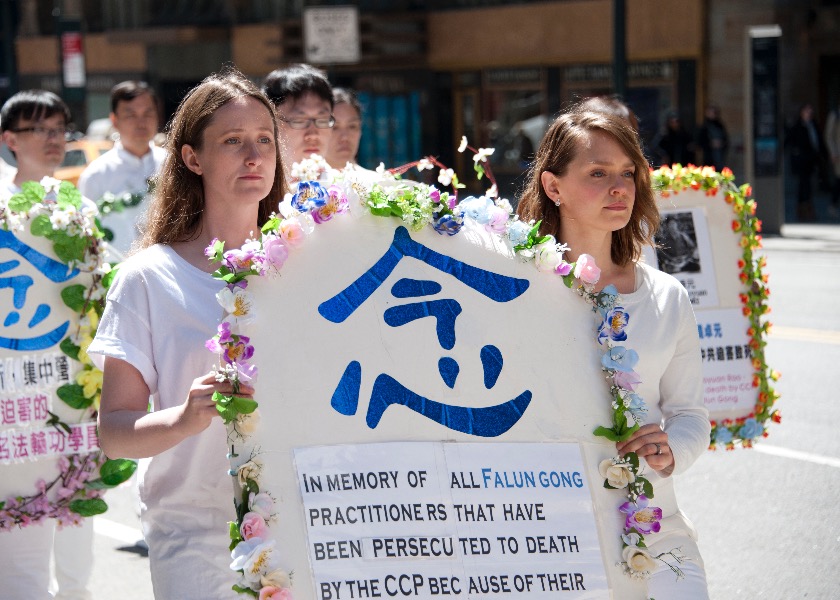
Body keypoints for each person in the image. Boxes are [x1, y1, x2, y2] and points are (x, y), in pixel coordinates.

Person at [88, 68, 282, 598]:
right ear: (192, 158)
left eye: (265, 140)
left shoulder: (310, 268)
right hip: (195, 540)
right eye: (233, 141)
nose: (254, 155)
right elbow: (115, 431)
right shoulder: (148, 277)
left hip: (303, 528)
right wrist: (183, 417)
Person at [517, 107, 710, 598]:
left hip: (655, 532)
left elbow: (690, 415)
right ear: (553, 187)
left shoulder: (667, 297)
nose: (619, 187)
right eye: (597, 173)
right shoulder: (515, 290)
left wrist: (670, 453)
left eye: (627, 173)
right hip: (549, 540)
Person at [0, 90, 95, 600]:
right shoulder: (0, 211)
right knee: (21, 530)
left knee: (78, 518)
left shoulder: (82, 207)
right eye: (42, 129)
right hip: (14, 387)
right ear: (10, 140)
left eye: (61, 128)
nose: (55, 139)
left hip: (72, 386)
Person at [78, 80, 166, 256]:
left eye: (147, 113)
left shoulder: (172, 165)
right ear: (114, 120)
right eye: (131, 115)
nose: (141, 122)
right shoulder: (96, 175)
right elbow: (85, 234)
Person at [262, 63, 334, 183]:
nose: (313, 134)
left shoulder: (348, 189)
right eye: (299, 121)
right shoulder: (255, 194)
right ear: (271, 122)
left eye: (322, 120)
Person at [786, 103, 828, 222]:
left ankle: (806, 208)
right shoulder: (797, 126)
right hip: (801, 161)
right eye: (806, 111)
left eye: (810, 111)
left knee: (808, 185)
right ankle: (804, 209)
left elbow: (819, 141)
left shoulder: (814, 125)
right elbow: (790, 141)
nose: (809, 113)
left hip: (812, 161)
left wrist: (823, 156)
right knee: (804, 186)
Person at [326, 87, 363, 169]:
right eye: (334, 127)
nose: (345, 137)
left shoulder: (377, 180)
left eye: (352, 126)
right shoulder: (304, 181)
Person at [696, 104, 729, 171]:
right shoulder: (704, 127)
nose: (711, 114)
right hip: (709, 157)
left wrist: (721, 143)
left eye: (713, 112)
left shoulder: (720, 126)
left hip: (719, 157)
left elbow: (725, 140)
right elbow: (700, 142)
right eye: (710, 112)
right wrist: (710, 143)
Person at [824, 102, 840, 218]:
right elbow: (829, 136)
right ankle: (833, 204)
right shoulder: (835, 114)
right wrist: (833, 152)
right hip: (838, 154)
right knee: (838, 180)